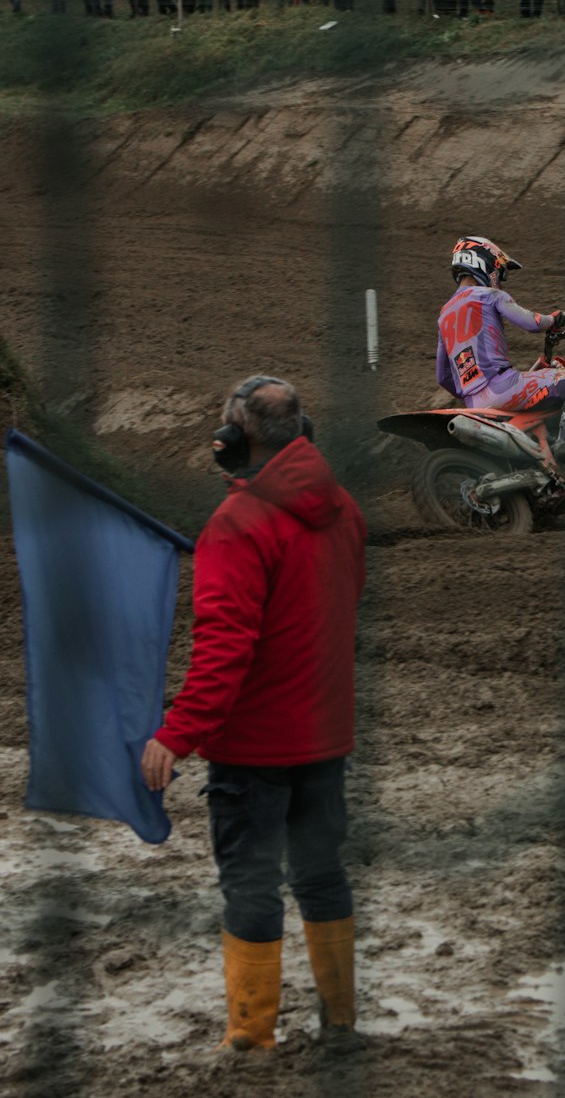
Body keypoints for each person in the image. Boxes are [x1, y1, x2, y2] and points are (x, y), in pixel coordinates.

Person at [141, 375, 367, 1054]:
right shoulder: (347, 510)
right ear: (305, 435)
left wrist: (176, 735)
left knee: (251, 883)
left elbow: (224, 649)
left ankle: (250, 1036)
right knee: (322, 875)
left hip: (256, 751)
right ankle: (341, 1024)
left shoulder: (237, 525)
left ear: (230, 442)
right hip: (326, 737)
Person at [437, 237, 565, 463]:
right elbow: (531, 323)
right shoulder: (490, 295)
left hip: (475, 405)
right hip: (504, 388)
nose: (500, 281)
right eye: (499, 272)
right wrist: (553, 319)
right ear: (483, 263)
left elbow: (443, 376)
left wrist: (472, 392)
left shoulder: (444, 314)